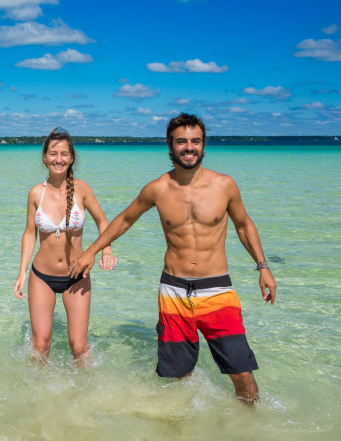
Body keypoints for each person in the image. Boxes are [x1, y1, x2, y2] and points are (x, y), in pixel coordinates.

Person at [69, 113, 276, 402]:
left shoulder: (224, 185)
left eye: (195, 141)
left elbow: (243, 225)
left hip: (217, 290)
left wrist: (262, 266)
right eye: (181, 142)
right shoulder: (158, 188)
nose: (189, 147)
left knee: (241, 371)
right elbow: (125, 220)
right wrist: (91, 251)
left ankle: (251, 427)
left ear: (203, 146)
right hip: (173, 292)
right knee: (179, 377)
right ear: (170, 146)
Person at [14, 127, 117, 363]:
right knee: (40, 345)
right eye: (53, 153)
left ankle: (85, 394)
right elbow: (30, 233)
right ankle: (37, 395)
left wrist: (107, 250)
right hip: (42, 276)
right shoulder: (35, 194)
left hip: (77, 275)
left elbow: (103, 221)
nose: (58, 159)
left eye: (63, 154)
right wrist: (21, 272)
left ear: (71, 158)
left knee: (78, 347)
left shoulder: (82, 189)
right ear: (44, 157)